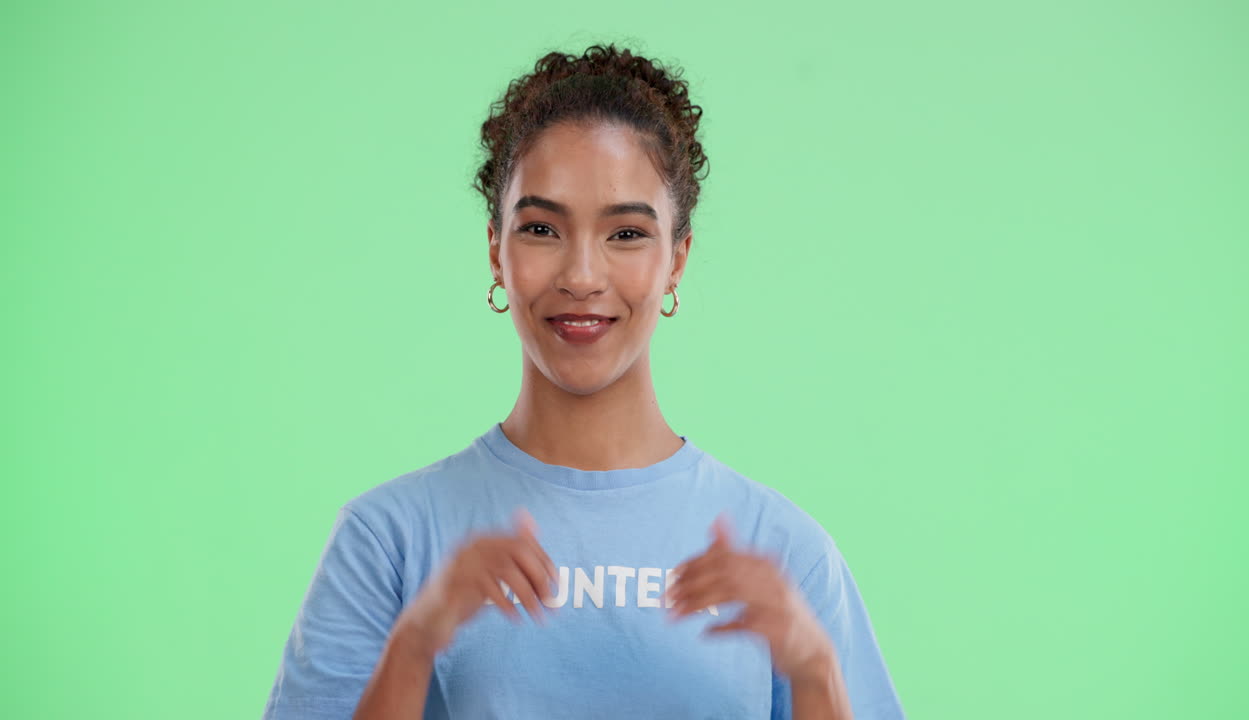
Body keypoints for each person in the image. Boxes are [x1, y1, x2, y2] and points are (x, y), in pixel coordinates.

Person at [262, 42, 905, 720]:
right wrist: (414, 646)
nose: (581, 276)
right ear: (496, 250)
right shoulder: (388, 539)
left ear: (677, 260)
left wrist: (814, 674)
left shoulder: (785, 553)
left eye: (626, 234)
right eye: (541, 227)